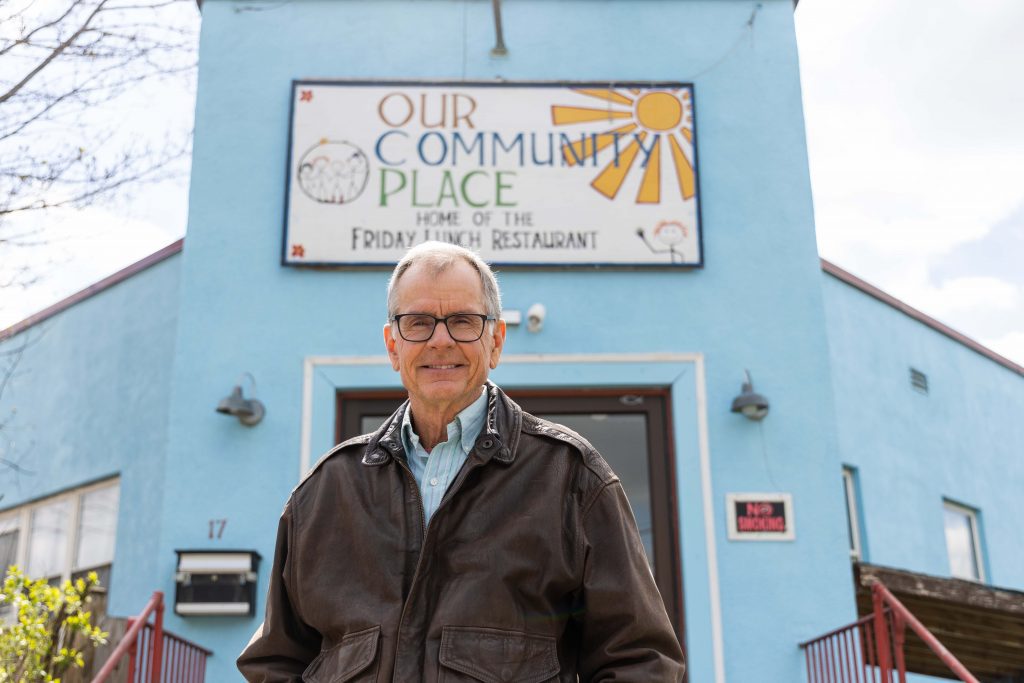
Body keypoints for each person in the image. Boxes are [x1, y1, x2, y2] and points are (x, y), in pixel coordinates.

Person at [237, 241, 685, 682]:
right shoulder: (324, 493)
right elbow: (276, 663)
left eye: (463, 321)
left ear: (496, 341)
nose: (440, 340)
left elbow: (640, 663)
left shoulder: (572, 480)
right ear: (393, 346)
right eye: (419, 323)